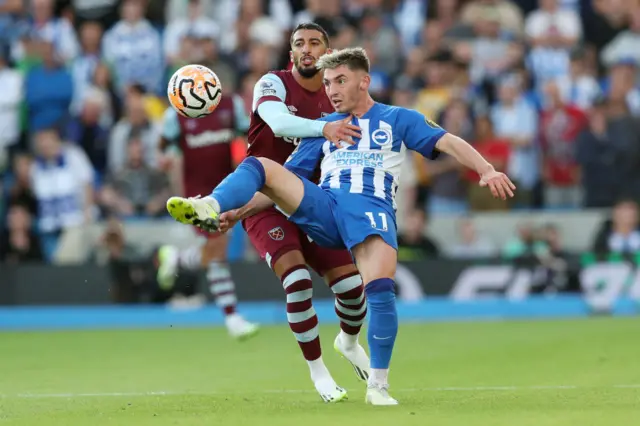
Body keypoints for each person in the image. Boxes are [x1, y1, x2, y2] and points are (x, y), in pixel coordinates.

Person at [165, 47, 516, 405]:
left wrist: (486, 169)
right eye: (328, 82)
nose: (331, 90)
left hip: (372, 213)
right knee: (263, 166)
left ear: (364, 82)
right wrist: (238, 213)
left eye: (340, 81)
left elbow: (448, 141)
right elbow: (283, 182)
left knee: (377, 293)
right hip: (327, 208)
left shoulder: (397, 119)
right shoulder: (325, 129)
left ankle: (374, 382)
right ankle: (209, 203)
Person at [169, 23, 371, 403]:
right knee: (296, 280)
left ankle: (348, 341)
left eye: (315, 43)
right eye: (299, 44)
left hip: (312, 200)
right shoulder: (271, 84)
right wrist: (323, 128)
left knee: (351, 289)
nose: (306, 49)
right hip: (264, 202)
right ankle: (319, 372)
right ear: (291, 52)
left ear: (328, 51)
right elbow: (279, 123)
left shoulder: (340, 98)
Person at [154, 95, 259, 340]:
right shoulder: (176, 114)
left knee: (215, 255)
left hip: (229, 190)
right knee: (217, 248)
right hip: (196, 196)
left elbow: (249, 135)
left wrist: (242, 154)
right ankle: (232, 317)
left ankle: (178, 259)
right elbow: (162, 148)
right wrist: (166, 158)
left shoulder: (230, 105)